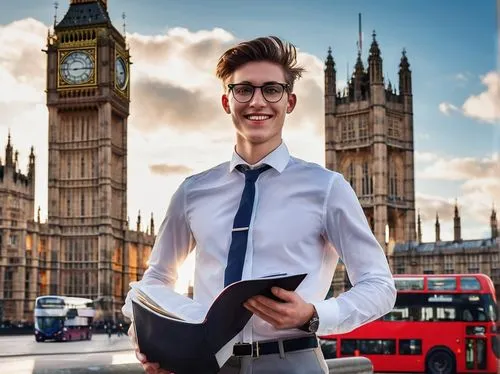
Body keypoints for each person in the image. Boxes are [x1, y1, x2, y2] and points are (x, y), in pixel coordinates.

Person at [122, 35, 396, 374]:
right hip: (206, 365)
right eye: (244, 90)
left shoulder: (327, 188)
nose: (257, 101)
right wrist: (149, 340)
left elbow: (381, 285)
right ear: (227, 101)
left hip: (293, 361)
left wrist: (314, 314)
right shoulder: (192, 191)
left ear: (290, 101)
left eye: (271, 89)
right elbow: (155, 282)